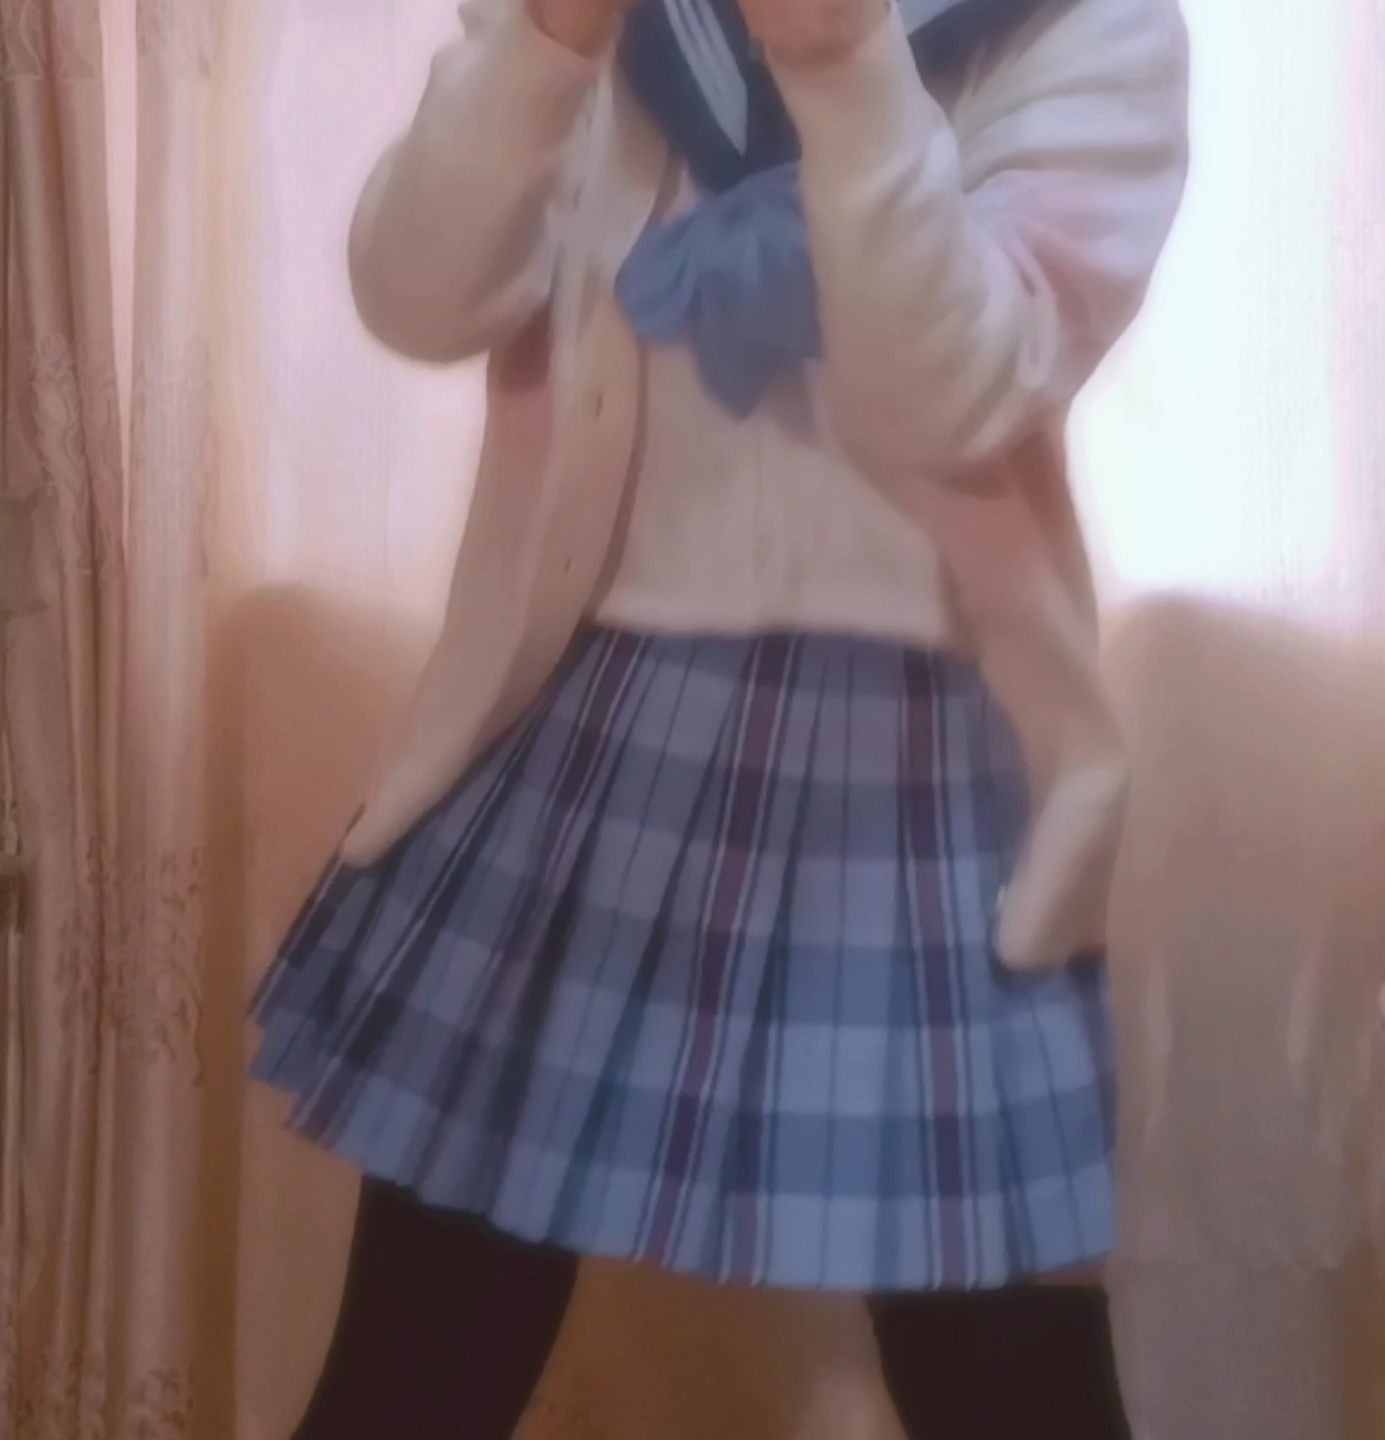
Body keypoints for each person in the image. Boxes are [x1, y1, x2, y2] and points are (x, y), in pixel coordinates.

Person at [250, 0, 1188, 1431]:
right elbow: (415, 296)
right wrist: (546, 45)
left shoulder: (1083, 27)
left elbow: (957, 394)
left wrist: (844, 59)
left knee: (1003, 1369)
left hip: (919, 764)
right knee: (419, 1364)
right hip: (598, 714)